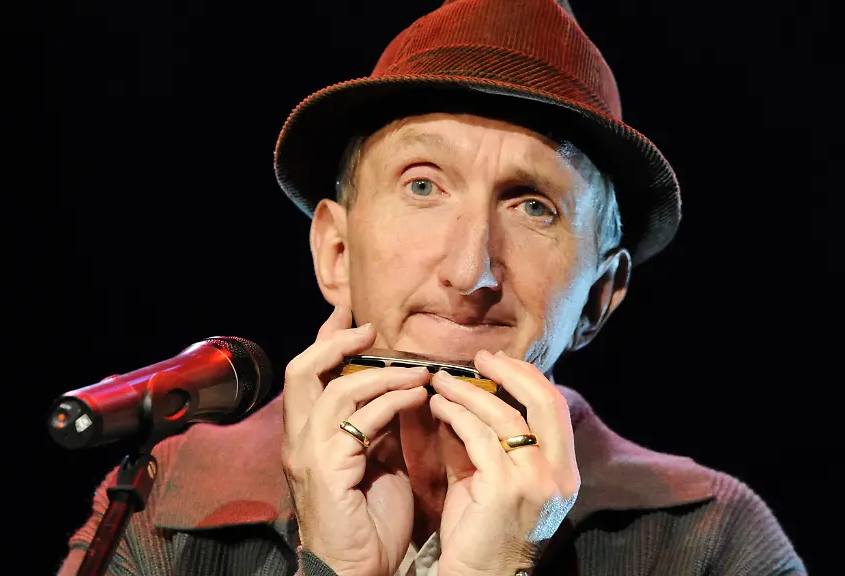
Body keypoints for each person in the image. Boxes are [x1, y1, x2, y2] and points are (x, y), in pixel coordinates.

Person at [58, 0, 805, 574]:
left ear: (599, 297)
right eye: (423, 185)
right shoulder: (167, 505)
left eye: (533, 206)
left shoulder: (707, 539)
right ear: (336, 251)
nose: (471, 270)